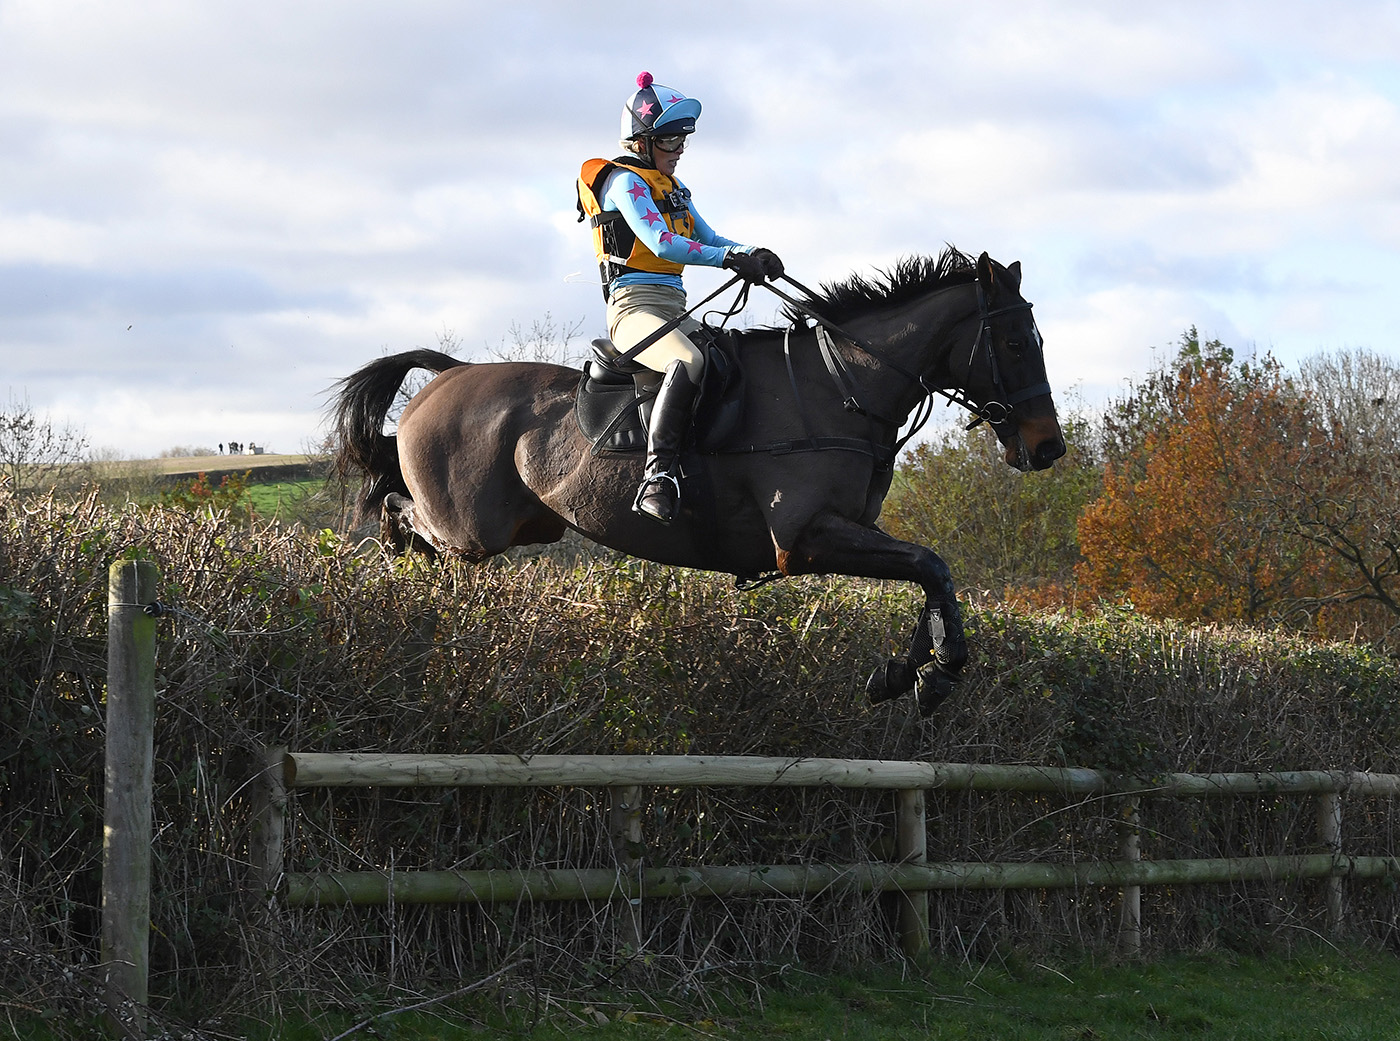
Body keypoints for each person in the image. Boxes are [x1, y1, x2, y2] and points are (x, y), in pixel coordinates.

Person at [577, 71, 784, 524]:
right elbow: (661, 243)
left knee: (730, 357)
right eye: (670, 141)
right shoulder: (624, 183)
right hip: (633, 308)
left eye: (682, 141)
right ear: (643, 142)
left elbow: (709, 236)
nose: (680, 150)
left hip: (672, 307)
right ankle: (657, 477)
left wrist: (754, 253)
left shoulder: (673, 190)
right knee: (688, 362)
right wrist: (729, 259)